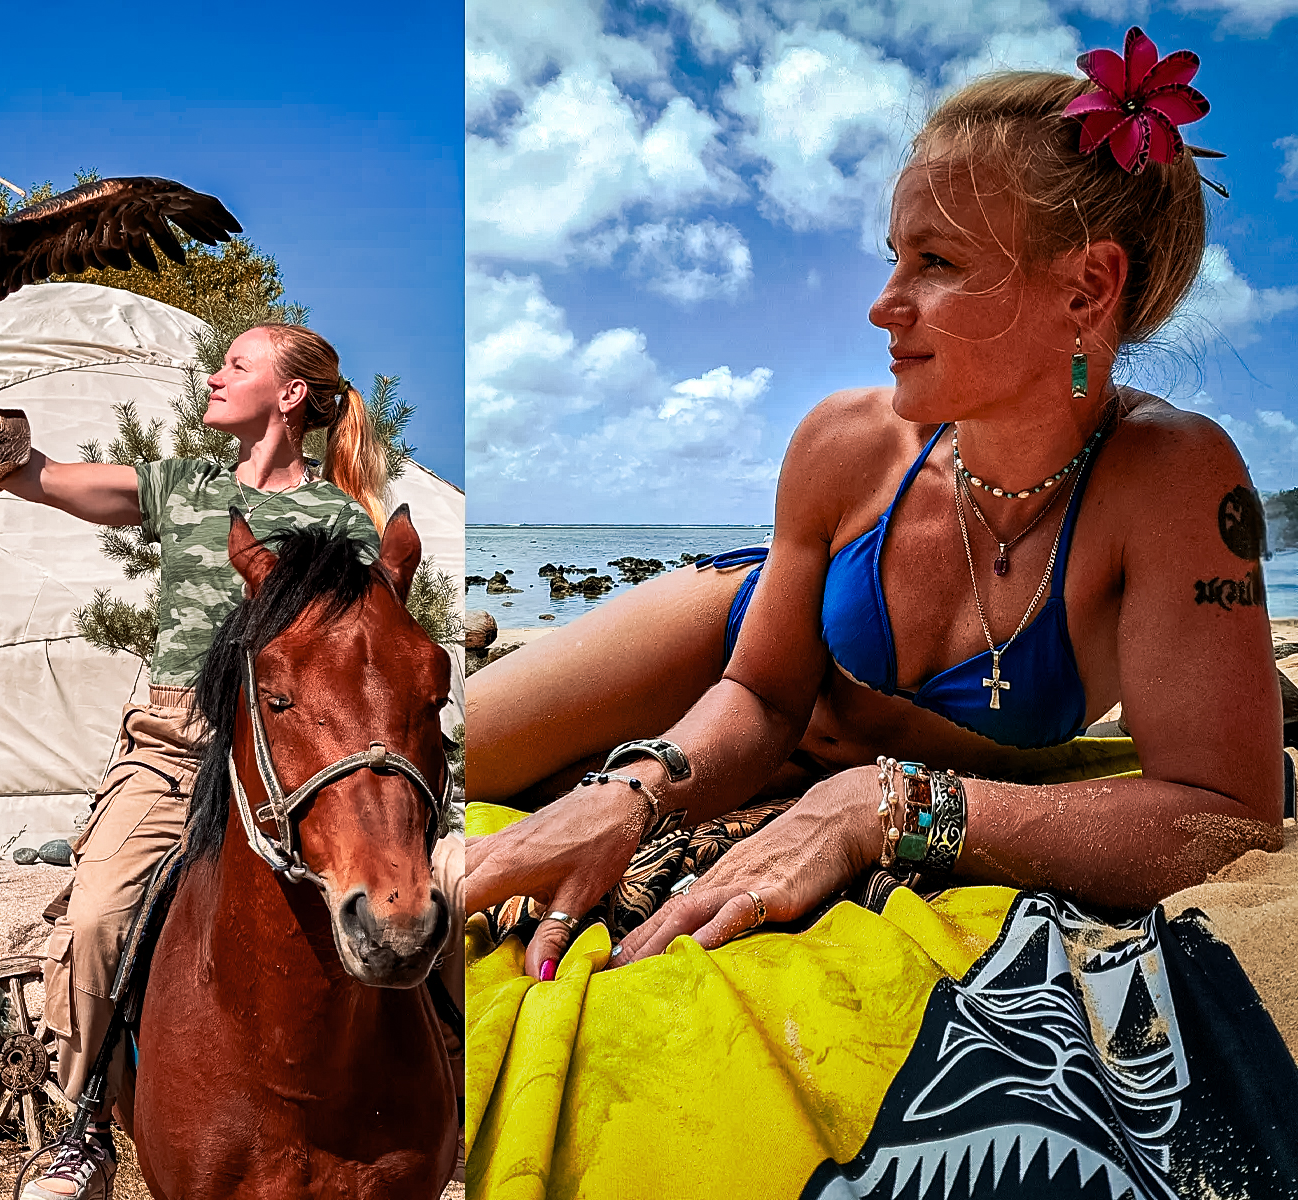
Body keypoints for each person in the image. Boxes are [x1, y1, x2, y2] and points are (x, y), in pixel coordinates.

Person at [465, 63, 1285, 990]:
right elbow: (767, 696)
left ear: (1089, 288)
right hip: (725, 644)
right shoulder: (846, 444)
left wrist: (884, 808)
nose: (883, 304)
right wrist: (632, 793)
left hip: (833, 766)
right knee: (444, 752)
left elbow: (1229, 816)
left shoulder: (1173, 480)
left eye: (934, 262)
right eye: (893, 256)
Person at [0, 322, 389, 1199]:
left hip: (292, 755)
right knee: (99, 916)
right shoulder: (182, 487)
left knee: (399, 906)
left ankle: (426, 1085)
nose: (214, 377)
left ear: (289, 395)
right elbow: (44, 479)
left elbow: (360, 658)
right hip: (173, 748)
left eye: (236, 366)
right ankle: (85, 1122)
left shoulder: (338, 523)